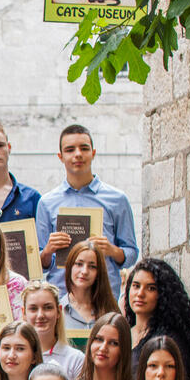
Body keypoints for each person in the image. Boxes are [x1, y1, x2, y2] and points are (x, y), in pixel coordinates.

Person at [36, 124, 138, 298]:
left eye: (84, 148)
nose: (78, 154)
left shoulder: (117, 199)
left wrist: (112, 250)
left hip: (103, 297)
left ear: (93, 153)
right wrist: (48, 250)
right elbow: (38, 264)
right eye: (70, 150)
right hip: (62, 297)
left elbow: (132, 253)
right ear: (60, 157)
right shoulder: (46, 203)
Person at [124, 257, 190, 380]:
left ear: (162, 294)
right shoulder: (121, 334)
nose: (140, 293)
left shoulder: (170, 341)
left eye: (151, 288)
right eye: (136, 286)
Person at [20, 281, 85, 380]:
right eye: (33, 309)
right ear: (24, 313)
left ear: (59, 311)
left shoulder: (75, 359)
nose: (40, 315)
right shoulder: (12, 354)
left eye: (48, 308)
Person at [59, 241, 120, 330]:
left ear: (99, 272)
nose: (84, 271)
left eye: (92, 266)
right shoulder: (57, 310)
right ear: (70, 267)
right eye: (79, 264)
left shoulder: (111, 310)